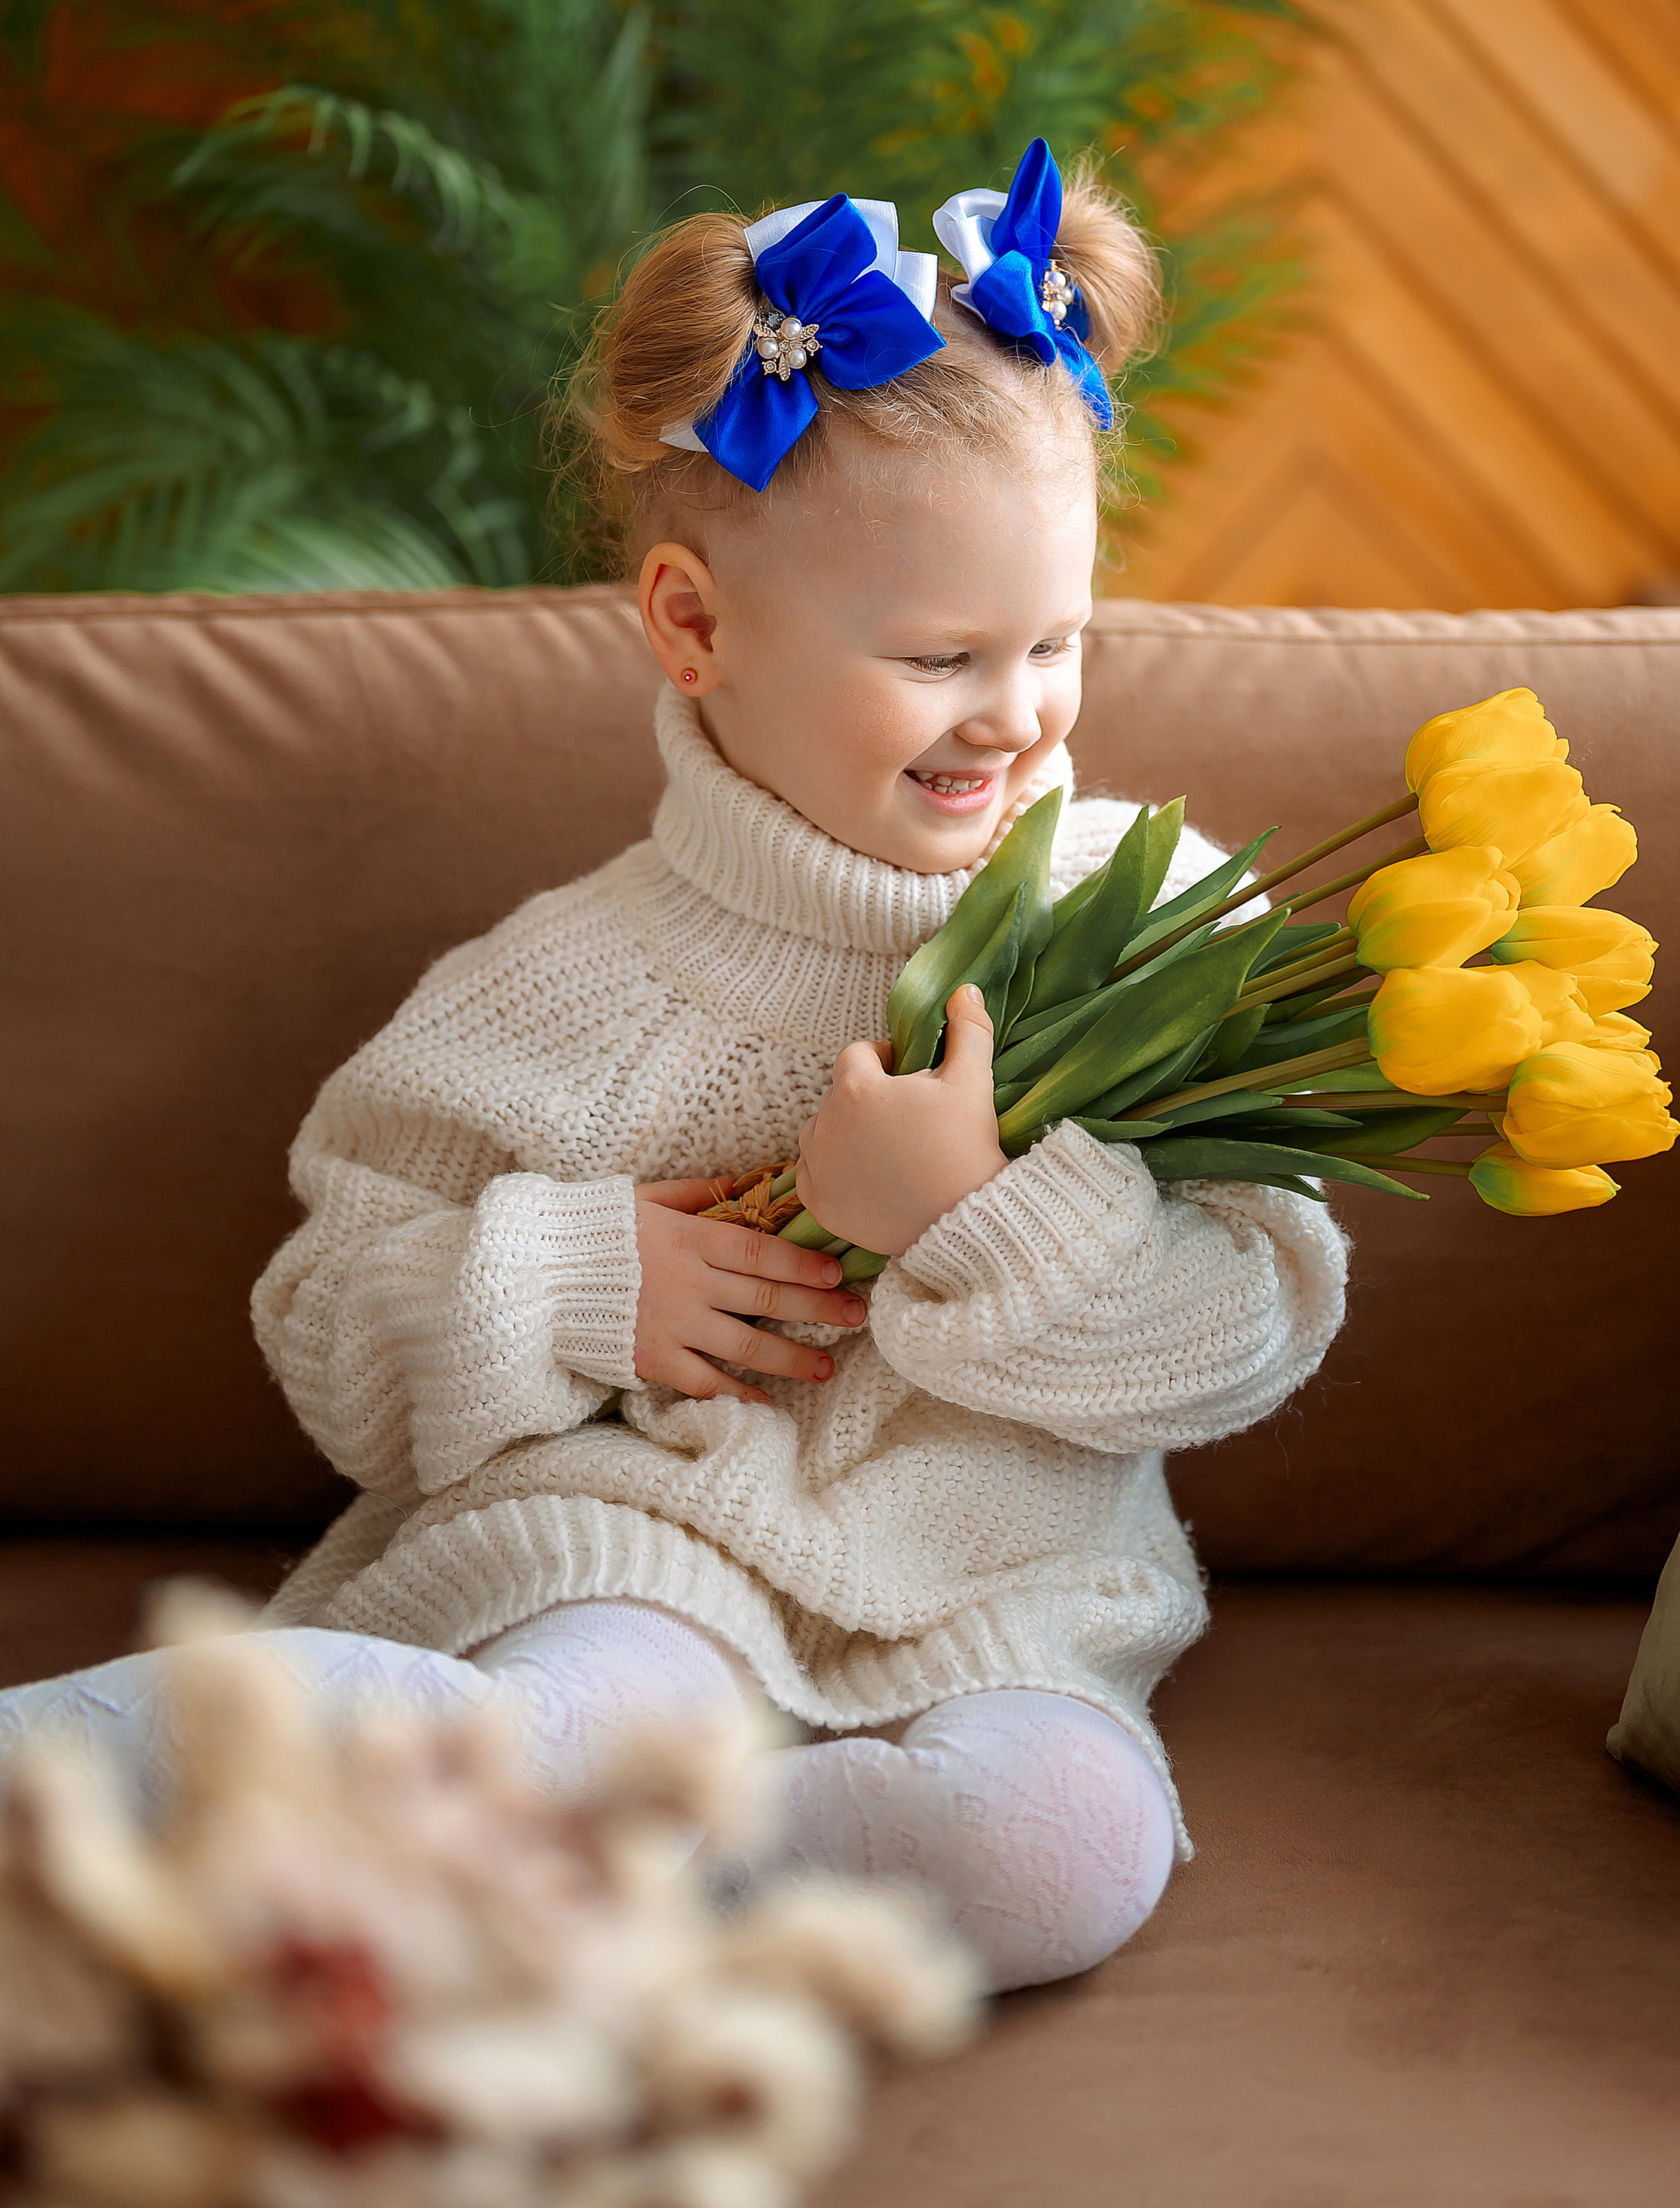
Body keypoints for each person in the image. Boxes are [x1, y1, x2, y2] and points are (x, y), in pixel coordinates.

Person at [0, 145, 1348, 1992]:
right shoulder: (568, 982)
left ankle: (513, 1873)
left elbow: (1256, 1319)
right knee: (575, 1717)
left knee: (1060, 1850)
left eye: (1056, 640)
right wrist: (575, 1280)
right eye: (942, 654)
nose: (1018, 709)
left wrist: (982, 1218)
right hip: (648, 1554)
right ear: (694, 625)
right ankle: (176, 1772)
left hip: (1003, 1598)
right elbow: (328, 1326)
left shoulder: (1151, 922)